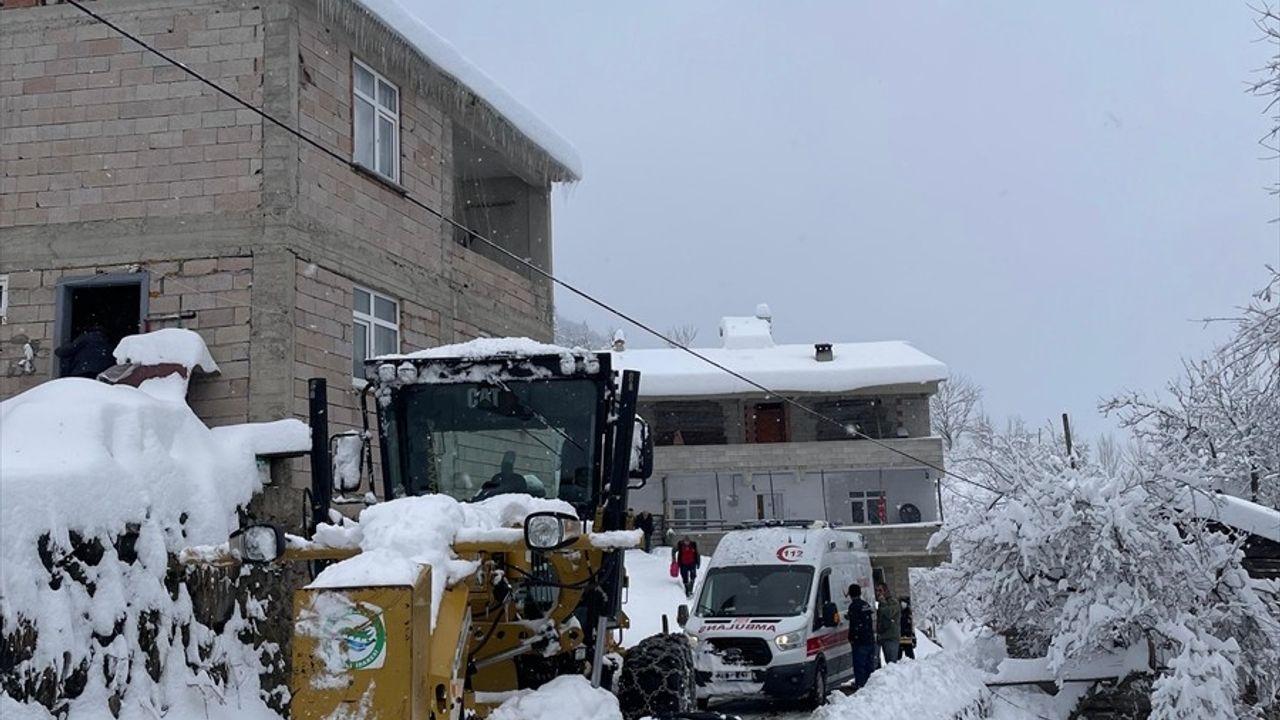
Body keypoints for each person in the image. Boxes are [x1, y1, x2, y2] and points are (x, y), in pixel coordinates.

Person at [847, 584, 877, 690]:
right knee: (869, 665)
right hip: (869, 639)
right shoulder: (866, 605)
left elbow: (854, 625)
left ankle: (861, 686)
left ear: (850, 594)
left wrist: (851, 637)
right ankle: (870, 685)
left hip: (859, 641)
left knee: (859, 665)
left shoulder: (853, 607)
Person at [875, 583, 902, 664]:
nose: (878, 593)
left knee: (891, 663)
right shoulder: (879, 603)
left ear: (886, 591)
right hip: (881, 635)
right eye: (876, 590)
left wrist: (883, 602)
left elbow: (888, 613)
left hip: (891, 637)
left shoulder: (893, 602)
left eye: (880, 590)